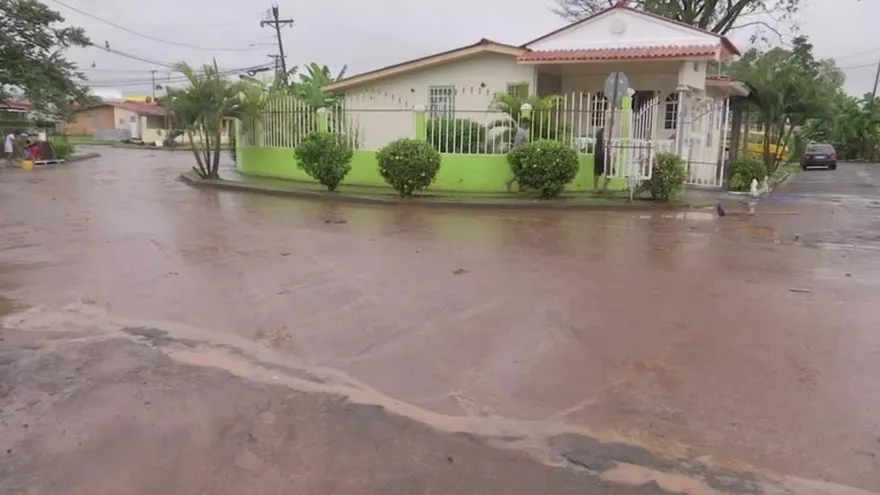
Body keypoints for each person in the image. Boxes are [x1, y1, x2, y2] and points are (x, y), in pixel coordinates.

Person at [506, 119, 530, 192]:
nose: (528, 126)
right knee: (522, 171)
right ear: (524, 123)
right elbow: (518, 143)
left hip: (519, 153)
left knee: (521, 171)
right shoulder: (521, 132)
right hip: (518, 154)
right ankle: (510, 182)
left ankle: (520, 187)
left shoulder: (522, 131)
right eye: (527, 124)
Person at [592, 127, 609, 192]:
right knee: (599, 172)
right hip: (601, 155)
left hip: (601, 155)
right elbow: (603, 146)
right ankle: (601, 187)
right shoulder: (600, 142)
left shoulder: (598, 144)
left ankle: (599, 188)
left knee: (598, 172)